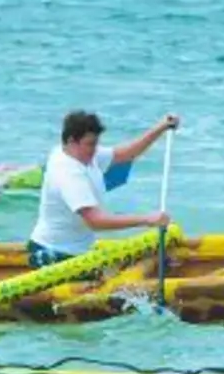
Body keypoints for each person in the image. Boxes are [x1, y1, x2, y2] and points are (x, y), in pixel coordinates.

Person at [27, 110, 178, 266]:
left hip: (82, 250)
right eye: (90, 144)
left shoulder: (83, 153)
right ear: (72, 141)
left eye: (96, 143)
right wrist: (147, 219)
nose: (95, 149)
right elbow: (95, 221)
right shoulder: (67, 173)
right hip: (55, 253)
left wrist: (161, 127)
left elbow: (127, 154)